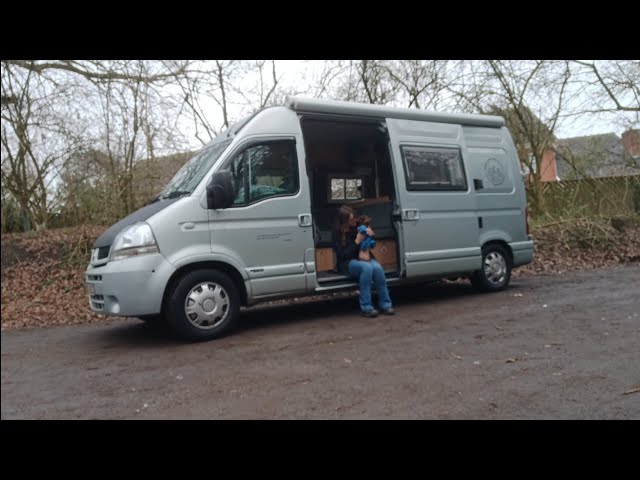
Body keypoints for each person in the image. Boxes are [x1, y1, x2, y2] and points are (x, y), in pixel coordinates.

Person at [334, 205, 395, 317]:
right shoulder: (337, 233)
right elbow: (343, 255)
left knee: (377, 268)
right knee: (366, 268)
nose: (353, 221)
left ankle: (386, 304)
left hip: (364, 257)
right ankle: (366, 307)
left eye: (353, 218)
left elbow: (369, 243)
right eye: (350, 219)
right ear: (344, 221)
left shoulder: (357, 227)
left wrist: (369, 234)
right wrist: (357, 241)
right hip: (347, 263)